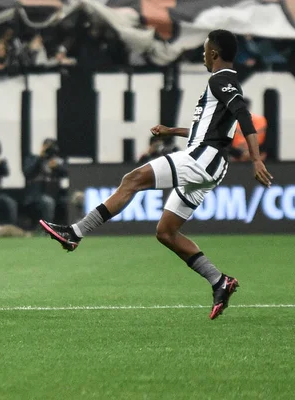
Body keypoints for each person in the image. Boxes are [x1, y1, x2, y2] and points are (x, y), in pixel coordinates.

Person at [39, 30, 273, 320]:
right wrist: (172, 131)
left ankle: (75, 233)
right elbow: (212, 128)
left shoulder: (220, 78)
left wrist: (256, 160)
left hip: (204, 158)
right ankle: (219, 281)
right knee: (165, 232)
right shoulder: (221, 82)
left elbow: (244, 116)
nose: (202, 54)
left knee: (132, 180)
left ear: (214, 53)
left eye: (204, 49)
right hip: (211, 162)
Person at [23, 138, 69, 225]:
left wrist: (57, 167)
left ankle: (67, 229)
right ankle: (48, 229)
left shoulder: (58, 161)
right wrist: (40, 158)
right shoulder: (33, 159)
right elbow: (27, 172)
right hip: (37, 195)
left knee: (67, 201)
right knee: (48, 202)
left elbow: (68, 172)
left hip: (56, 193)